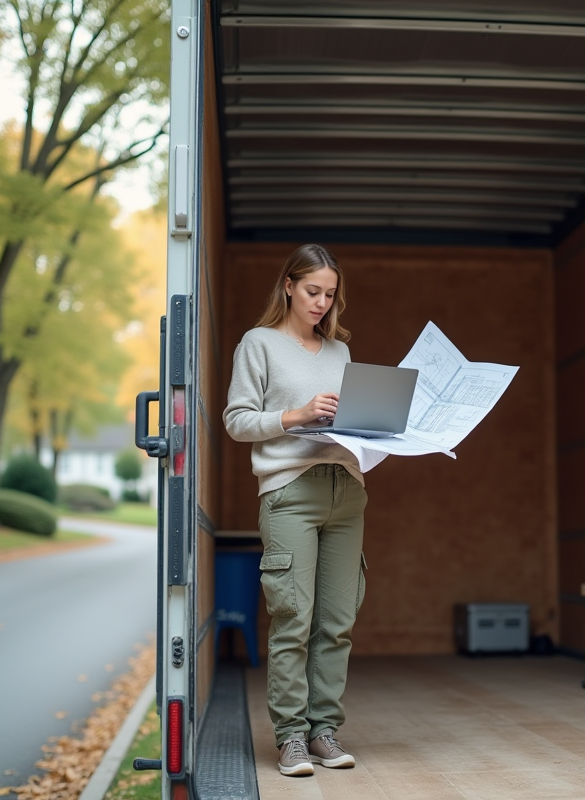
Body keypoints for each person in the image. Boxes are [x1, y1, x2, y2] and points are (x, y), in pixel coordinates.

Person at [222, 243, 368, 777]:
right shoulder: (258, 344)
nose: (322, 304)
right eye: (313, 292)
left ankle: (324, 731)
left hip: (346, 488)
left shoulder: (340, 352)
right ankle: (291, 739)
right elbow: (236, 420)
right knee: (293, 619)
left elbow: (347, 423)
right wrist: (296, 415)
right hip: (290, 491)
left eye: (330, 295)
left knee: (337, 620)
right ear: (288, 285)